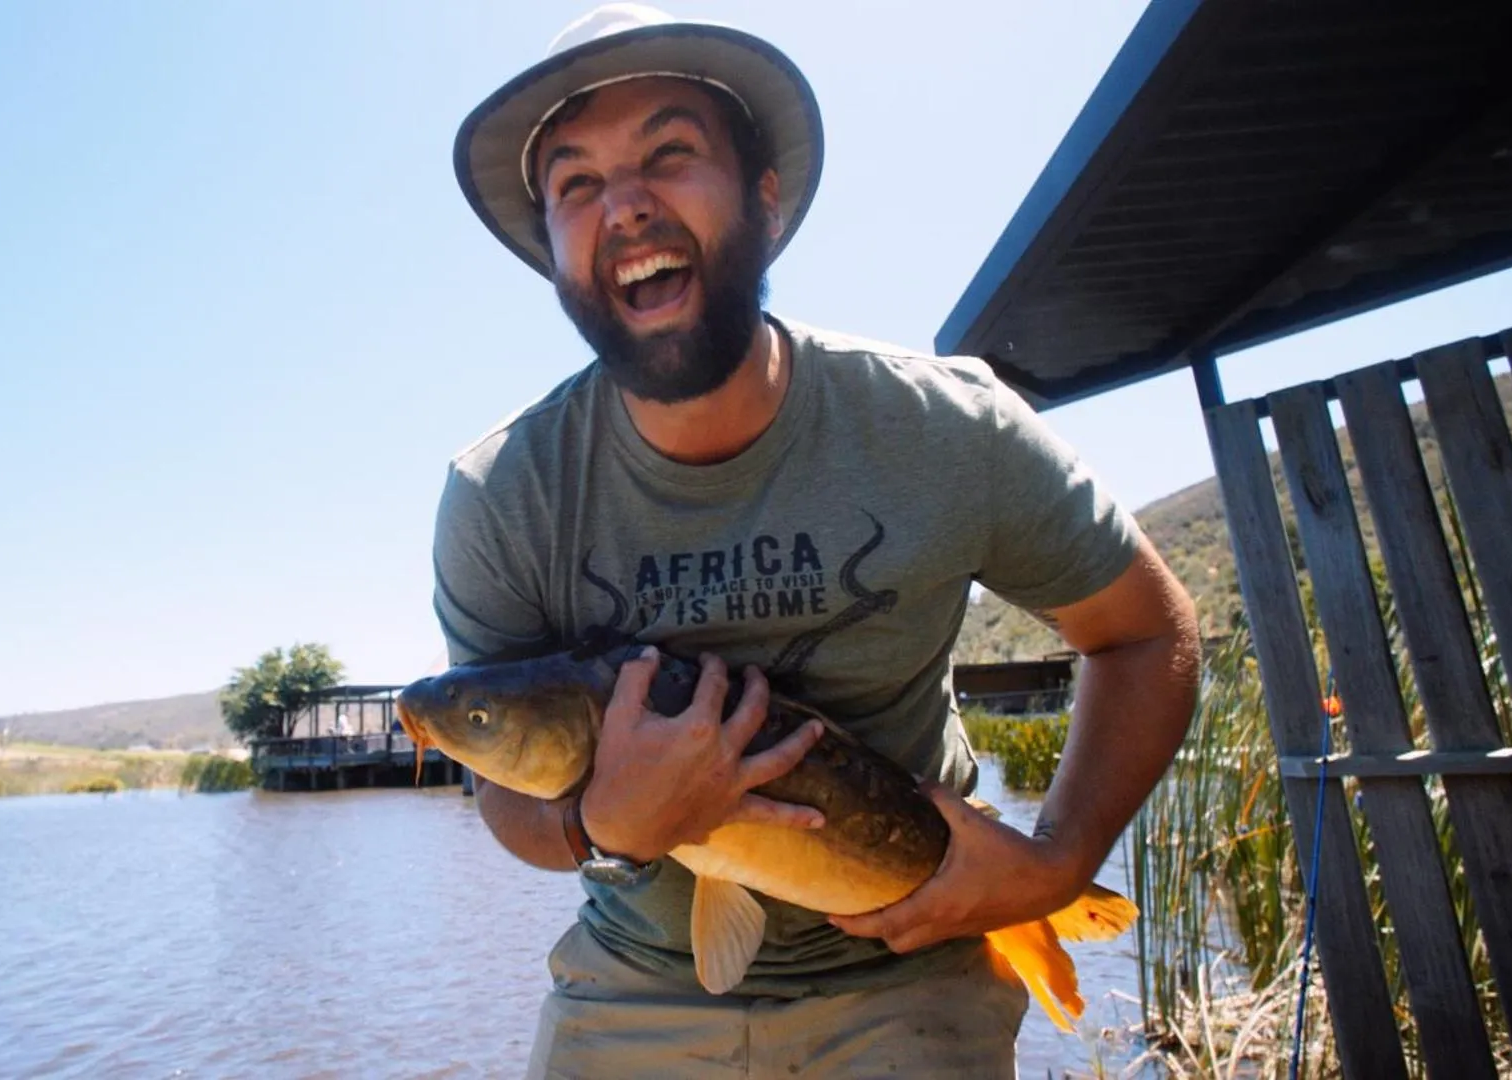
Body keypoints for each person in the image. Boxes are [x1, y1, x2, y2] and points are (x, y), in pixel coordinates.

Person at [433, 5, 1201, 1076]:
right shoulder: (498, 493)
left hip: (913, 965)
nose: (623, 206)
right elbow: (506, 792)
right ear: (555, 250)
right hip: (636, 973)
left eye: (669, 153)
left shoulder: (946, 428)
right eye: (573, 185)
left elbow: (1145, 634)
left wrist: (1056, 864)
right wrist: (601, 823)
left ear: (764, 194)